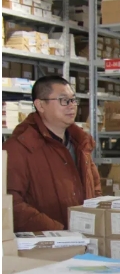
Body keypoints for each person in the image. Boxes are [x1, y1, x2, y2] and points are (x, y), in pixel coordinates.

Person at [3, 75, 102, 232]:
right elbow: (10, 204)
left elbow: (95, 187)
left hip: (84, 237)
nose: (72, 106)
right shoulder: (18, 148)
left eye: (73, 100)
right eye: (64, 100)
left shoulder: (81, 143)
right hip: (45, 242)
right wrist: (58, 231)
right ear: (40, 105)